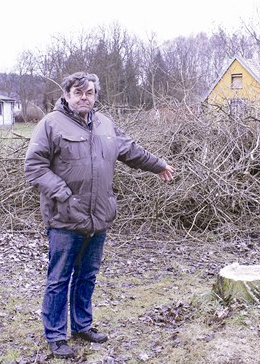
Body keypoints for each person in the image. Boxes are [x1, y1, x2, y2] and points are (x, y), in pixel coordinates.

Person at [24, 72, 174, 359]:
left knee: (87, 276)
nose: (84, 97)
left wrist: (158, 165)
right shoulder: (51, 125)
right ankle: (56, 336)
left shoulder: (105, 124)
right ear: (67, 95)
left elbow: (130, 150)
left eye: (89, 92)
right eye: (78, 92)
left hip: (99, 217)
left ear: (95, 96)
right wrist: (63, 193)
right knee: (59, 279)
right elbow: (34, 168)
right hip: (65, 218)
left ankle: (82, 326)